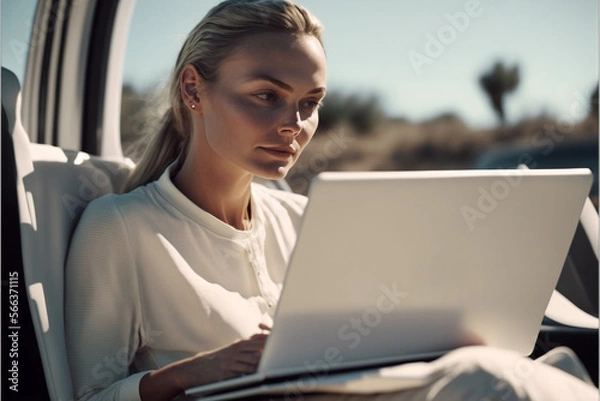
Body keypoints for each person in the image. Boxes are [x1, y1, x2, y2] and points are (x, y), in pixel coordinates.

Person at [64, 1, 598, 400]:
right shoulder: (121, 228)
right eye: (266, 96)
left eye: (310, 103)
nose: (294, 127)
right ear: (193, 89)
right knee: (494, 383)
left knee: (516, 370)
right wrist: (191, 372)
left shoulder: (303, 219)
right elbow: (88, 396)